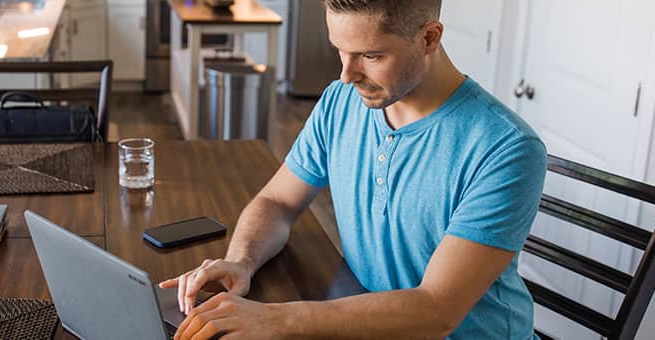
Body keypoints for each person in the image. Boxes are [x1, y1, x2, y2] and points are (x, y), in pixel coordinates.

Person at [160, 0, 547, 338]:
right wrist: (242, 261)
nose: (347, 75)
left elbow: (436, 311)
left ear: (429, 38)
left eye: (371, 56)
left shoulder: (506, 149)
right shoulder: (339, 103)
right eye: (341, 51)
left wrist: (274, 320)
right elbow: (278, 201)